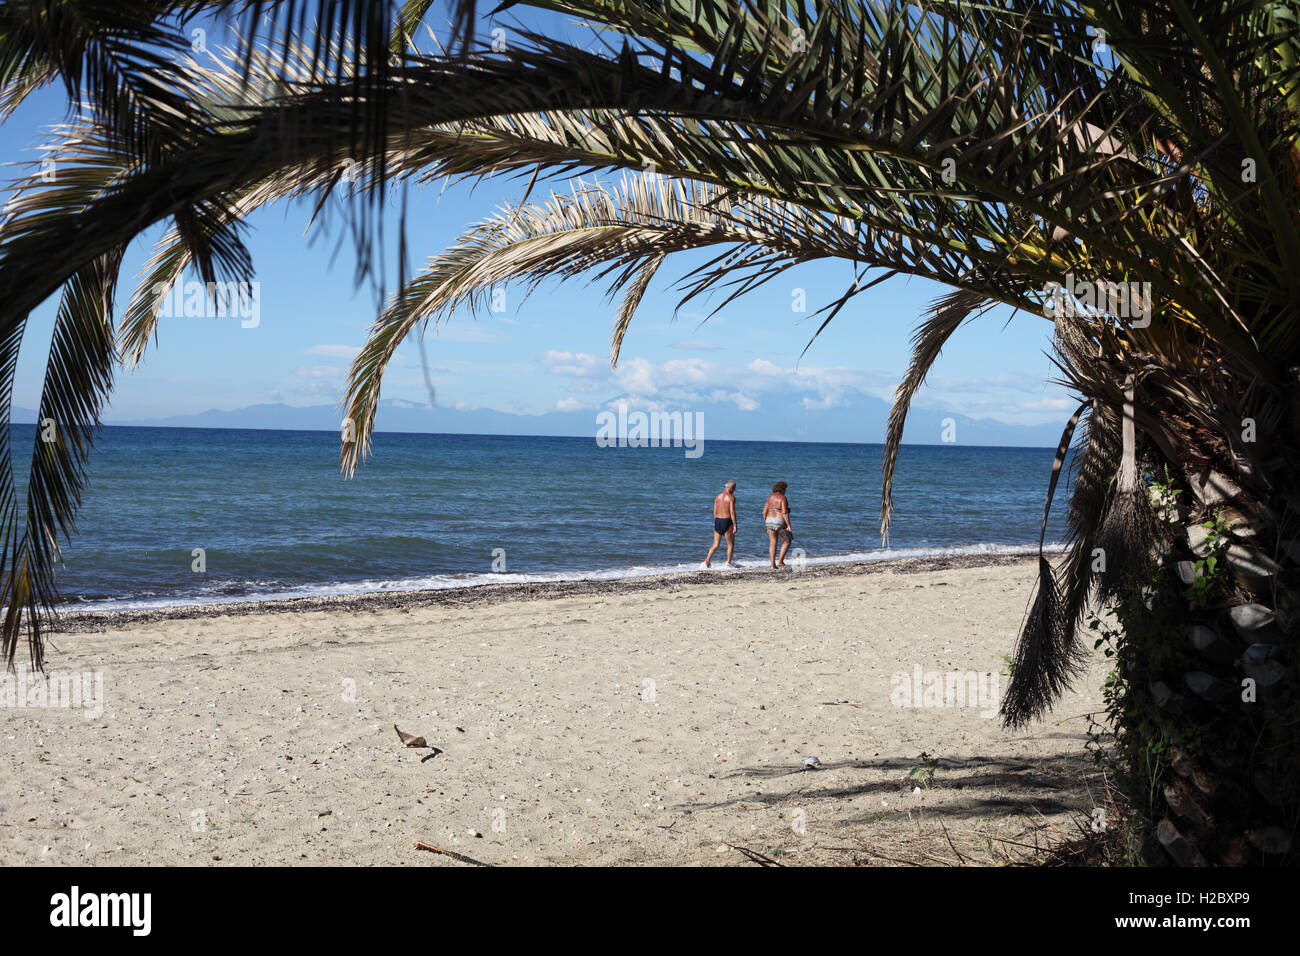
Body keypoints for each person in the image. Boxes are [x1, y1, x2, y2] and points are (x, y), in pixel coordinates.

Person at [705, 480, 738, 568]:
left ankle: (707, 559)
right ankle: (728, 564)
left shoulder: (718, 496)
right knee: (730, 544)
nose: (735, 490)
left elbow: (715, 510)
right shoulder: (731, 497)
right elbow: (732, 512)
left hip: (718, 521)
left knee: (716, 544)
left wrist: (716, 520)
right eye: (734, 488)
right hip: (727, 521)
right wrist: (735, 525)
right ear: (731, 488)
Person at [763, 481, 794, 569]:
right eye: (785, 489)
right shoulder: (783, 497)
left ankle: (772, 565)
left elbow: (764, 511)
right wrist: (788, 524)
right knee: (788, 540)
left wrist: (766, 523)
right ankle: (780, 561)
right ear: (782, 489)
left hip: (769, 520)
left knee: (773, 543)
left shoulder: (770, 497)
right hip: (779, 520)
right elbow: (784, 512)